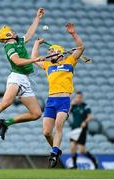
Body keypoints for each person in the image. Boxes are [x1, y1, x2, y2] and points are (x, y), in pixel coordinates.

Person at [0, 8, 45, 140]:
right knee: (6, 103)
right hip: (16, 78)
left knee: (36, 113)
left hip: (25, 80)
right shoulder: (9, 47)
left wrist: (37, 18)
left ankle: (5, 123)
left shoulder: (18, 41)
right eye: (11, 31)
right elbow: (17, 61)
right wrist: (35, 59)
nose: (13, 31)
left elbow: (30, 34)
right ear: (8, 36)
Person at [31, 23, 85, 168]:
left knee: (58, 126)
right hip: (51, 100)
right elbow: (34, 57)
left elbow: (81, 48)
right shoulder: (48, 65)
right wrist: (36, 43)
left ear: (59, 53)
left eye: (51, 51)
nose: (49, 53)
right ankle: (57, 150)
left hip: (64, 100)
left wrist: (73, 34)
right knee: (47, 132)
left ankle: (54, 153)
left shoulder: (69, 61)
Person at [69, 91, 98, 169]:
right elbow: (67, 112)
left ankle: (94, 159)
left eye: (80, 97)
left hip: (82, 130)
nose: (78, 99)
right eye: (77, 97)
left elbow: (90, 116)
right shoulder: (74, 106)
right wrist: (71, 104)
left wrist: (85, 121)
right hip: (74, 128)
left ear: (82, 98)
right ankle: (74, 165)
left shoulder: (85, 106)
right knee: (72, 147)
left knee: (82, 150)